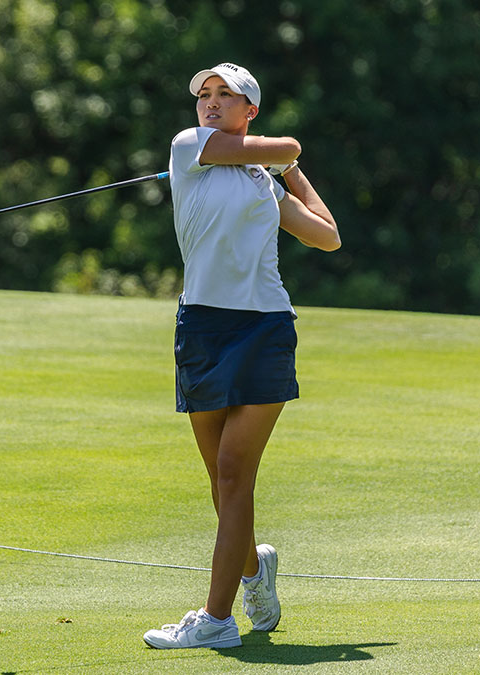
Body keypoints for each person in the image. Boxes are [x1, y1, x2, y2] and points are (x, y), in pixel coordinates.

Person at [143, 64, 340, 649]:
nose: (210, 102)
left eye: (226, 94)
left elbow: (326, 235)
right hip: (202, 328)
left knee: (234, 473)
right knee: (222, 482)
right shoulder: (189, 147)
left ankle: (217, 617)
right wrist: (282, 155)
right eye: (204, 94)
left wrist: (288, 174)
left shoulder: (262, 181)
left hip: (264, 328)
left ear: (249, 109)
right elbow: (288, 142)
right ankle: (253, 567)